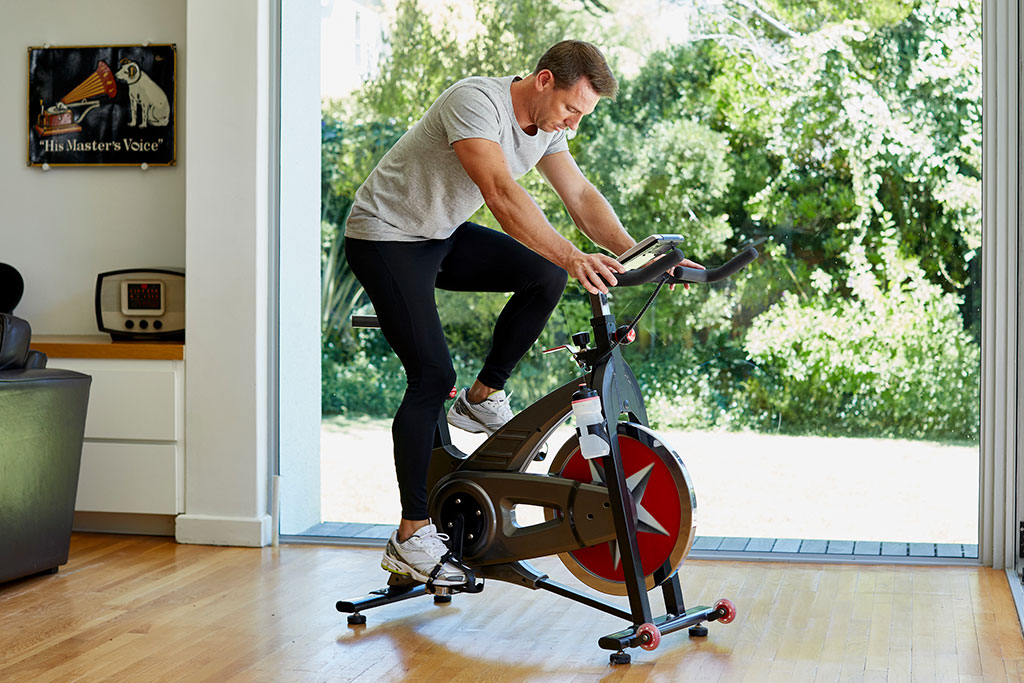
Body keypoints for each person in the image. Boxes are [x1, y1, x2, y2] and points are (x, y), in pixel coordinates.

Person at [344, 40, 701, 586]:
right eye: (570, 110)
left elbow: (579, 196)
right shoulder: (476, 103)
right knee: (431, 375)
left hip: (438, 235)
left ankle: (482, 399)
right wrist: (574, 254)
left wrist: (638, 257)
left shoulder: (549, 127)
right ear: (542, 81)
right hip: (385, 238)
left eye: (582, 117)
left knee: (544, 275)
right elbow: (502, 195)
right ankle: (410, 537)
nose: (572, 125)